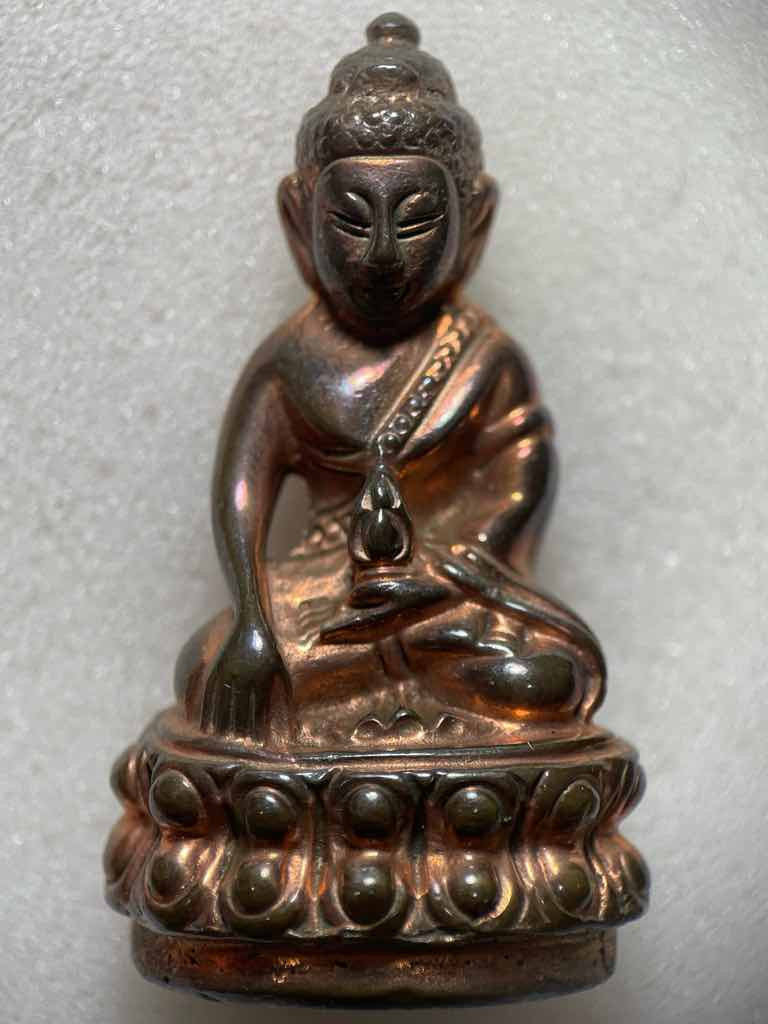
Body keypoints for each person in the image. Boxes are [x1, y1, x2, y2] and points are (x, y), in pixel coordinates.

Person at [175, 13, 605, 749]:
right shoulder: (288, 363)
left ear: (474, 222)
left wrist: (440, 578)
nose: (380, 254)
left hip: (444, 597)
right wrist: (250, 619)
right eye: (350, 220)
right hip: (321, 595)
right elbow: (240, 496)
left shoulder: (483, 356)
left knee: (544, 679)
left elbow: (518, 476)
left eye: (413, 223)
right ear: (298, 219)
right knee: (208, 667)